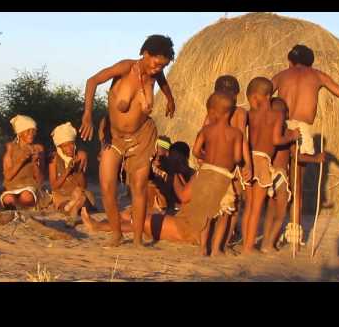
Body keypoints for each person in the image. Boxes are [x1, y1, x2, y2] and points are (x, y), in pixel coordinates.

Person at [82, 92, 243, 258]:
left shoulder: (201, 174)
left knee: (142, 220)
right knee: (136, 215)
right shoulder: (225, 177)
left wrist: (173, 175)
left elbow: (183, 196)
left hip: (189, 228)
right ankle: (104, 224)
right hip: (190, 223)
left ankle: (100, 227)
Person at [80, 35, 176, 248]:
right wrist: (87, 115)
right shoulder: (125, 68)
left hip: (142, 137)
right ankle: (116, 233)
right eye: (156, 62)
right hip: (113, 137)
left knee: (139, 186)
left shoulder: (155, 76)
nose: (158, 68)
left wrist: (170, 99)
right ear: (145, 54)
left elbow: (163, 82)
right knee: (106, 185)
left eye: (163, 65)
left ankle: (138, 239)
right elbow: (92, 81)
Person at [271, 44, 339, 245]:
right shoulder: (317, 75)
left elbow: (261, 94)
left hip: (279, 130)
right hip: (301, 132)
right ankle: (294, 234)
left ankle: (273, 233)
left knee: (277, 181)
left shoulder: (281, 75)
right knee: (296, 186)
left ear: (290, 61)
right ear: (311, 62)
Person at [241, 78, 300, 255]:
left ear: (260, 96)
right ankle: (248, 248)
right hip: (262, 161)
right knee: (257, 208)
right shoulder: (276, 115)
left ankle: (246, 243)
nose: (252, 101)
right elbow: (276, 140)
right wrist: (292, 137)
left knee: (249, 207)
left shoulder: (250, 115)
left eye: (252, 97)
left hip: (249, 160)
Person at [260, 97, 325, 253]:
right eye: (283, 112)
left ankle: (266, 242)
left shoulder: (265, 132)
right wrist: (316, 158)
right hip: (280, 175)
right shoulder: (289, 134)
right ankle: (268, 244)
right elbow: (297, 157)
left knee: (271, 210)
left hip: (267, 175)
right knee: (281, 212)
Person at [0, 115, 50, 210]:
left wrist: (35, 163)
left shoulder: (38, 149)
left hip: (30, 187)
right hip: (12, 188)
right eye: (28, 131)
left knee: (26, 197)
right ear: (19, 133)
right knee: (8, 199)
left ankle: (20, 207)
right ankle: (20, 207)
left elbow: (40, 180)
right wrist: (22, 159)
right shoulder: (10, 148)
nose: (31, 134)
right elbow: (8, 176)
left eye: (33, 131)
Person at [48, 122, 94, 226]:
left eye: (71, 144)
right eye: (65, 146)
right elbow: (54, 186)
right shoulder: (54, 159)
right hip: (62, 197)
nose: (70, 148)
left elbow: (83, 186)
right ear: (59, 147)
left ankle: (73, 210)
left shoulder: (80, 156)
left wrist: (77, 170)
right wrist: (68, 170)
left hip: (79, 196)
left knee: (80, 194)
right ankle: (73, 209)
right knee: (78, 200)